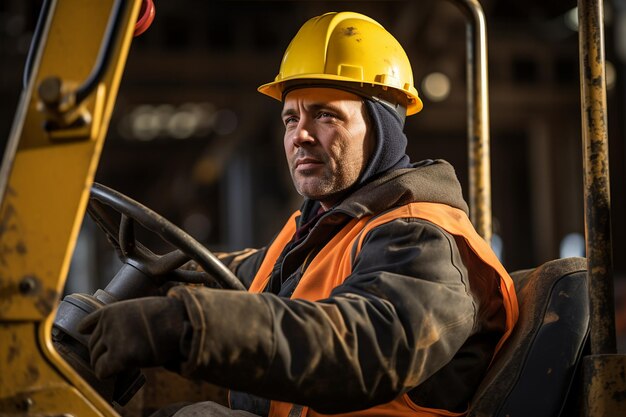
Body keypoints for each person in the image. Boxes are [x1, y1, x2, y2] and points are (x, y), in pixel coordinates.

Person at [79, 11, 518, 417]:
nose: (300, 135)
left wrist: (187, 323)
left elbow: (363, 347)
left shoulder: (423, 240)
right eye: (291, 119)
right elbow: (228, 276)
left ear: (383, 127)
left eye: (325, 116)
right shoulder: (318, 233)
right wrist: (144, 292)